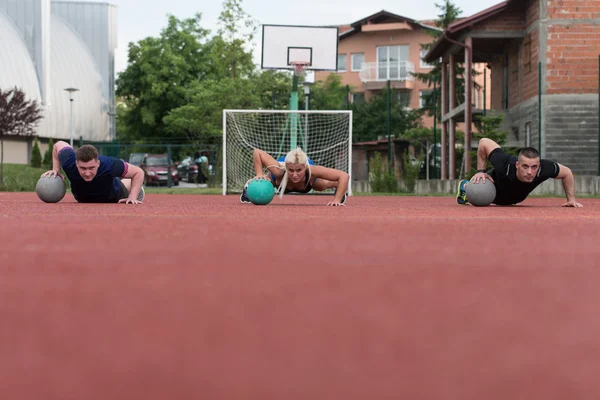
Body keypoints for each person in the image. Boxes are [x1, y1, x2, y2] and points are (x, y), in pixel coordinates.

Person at [456, 138, 583, 207]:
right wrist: (480, 171)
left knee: (513, 199)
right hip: (488, 190)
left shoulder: (544, 168)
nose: (530, 172)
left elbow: (567, 173)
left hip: (514, 198)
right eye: (525, 166)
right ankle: (465, 187)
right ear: (517, 165)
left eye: (534, 167)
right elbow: (484, 142)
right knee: (479, 193)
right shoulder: (504, 163)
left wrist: (571, 199)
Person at [41, 141, 145, 204]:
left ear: (98, 163)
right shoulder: (68, 161)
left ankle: (135, 188)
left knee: (126, 183)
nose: (87, 173)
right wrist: (56, 169)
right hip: (83, 197)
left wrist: (132, 197)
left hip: (114, 196)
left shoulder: (109, 164)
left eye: (91, 168)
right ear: (76, 163)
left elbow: (138, 172)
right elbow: (58, 145)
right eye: (83, 168)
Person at [241, 147, 350, 206]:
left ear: (305, 167)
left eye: (299, 170)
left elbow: (344, 176)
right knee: (265, 182)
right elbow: (257, 152)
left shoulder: (312, 171)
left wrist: (337, 200)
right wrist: (259, 174)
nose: (294, 175)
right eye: (291, 170)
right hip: (278, 180)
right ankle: (249, 186)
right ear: (286, 167)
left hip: (308, 181)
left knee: (322, 185)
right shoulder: (279, 171)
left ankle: (338, 188)